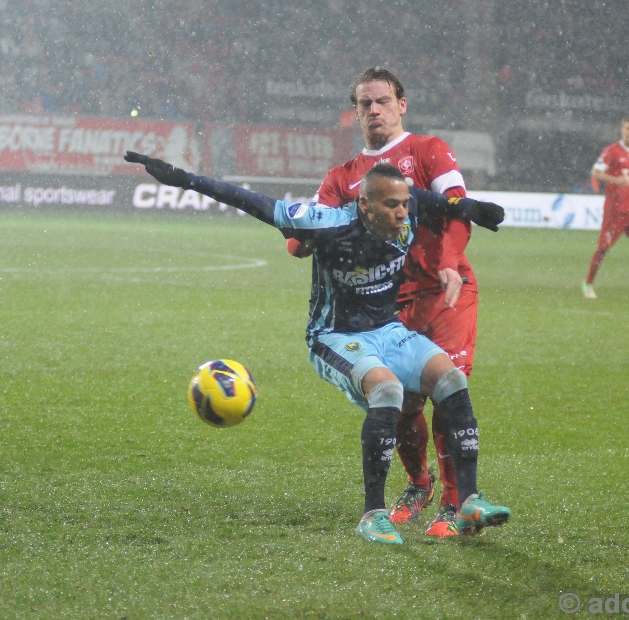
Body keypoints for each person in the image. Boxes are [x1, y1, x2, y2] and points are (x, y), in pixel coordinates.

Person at [124, 152, 511, 545]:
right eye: (391, 205)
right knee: (389, 391)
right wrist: (186, 179)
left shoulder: (410, 206)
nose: (402, 212)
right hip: (335, 336)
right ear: (364, 204)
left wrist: (473, 207)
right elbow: (254, 203)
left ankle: (467, 499)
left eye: (404, 204)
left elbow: (447, 203)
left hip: (388, 329)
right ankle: (373, 514)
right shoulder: (327, 223)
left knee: (450, 378)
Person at [287, 68, 477, 537]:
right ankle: (419, 482)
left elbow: (458, 209)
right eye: (364, 103)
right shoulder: (344, 177)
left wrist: (450, 259)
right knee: (405, 402)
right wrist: (305, 235)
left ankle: (457, 503)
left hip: (446, 291)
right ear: (354, 112)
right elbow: (300, 241)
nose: (375, 110)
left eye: (383, 101)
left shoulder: (428, 151)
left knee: (445, 388)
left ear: (402, 104)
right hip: (386, 308)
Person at [582, 117, 629, 300]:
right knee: (603, 248)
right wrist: (616, 181)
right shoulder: (612, 151)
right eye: (628, 128)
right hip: (615, 209)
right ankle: (588, 284)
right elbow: (596, 172)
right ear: (622, 131)